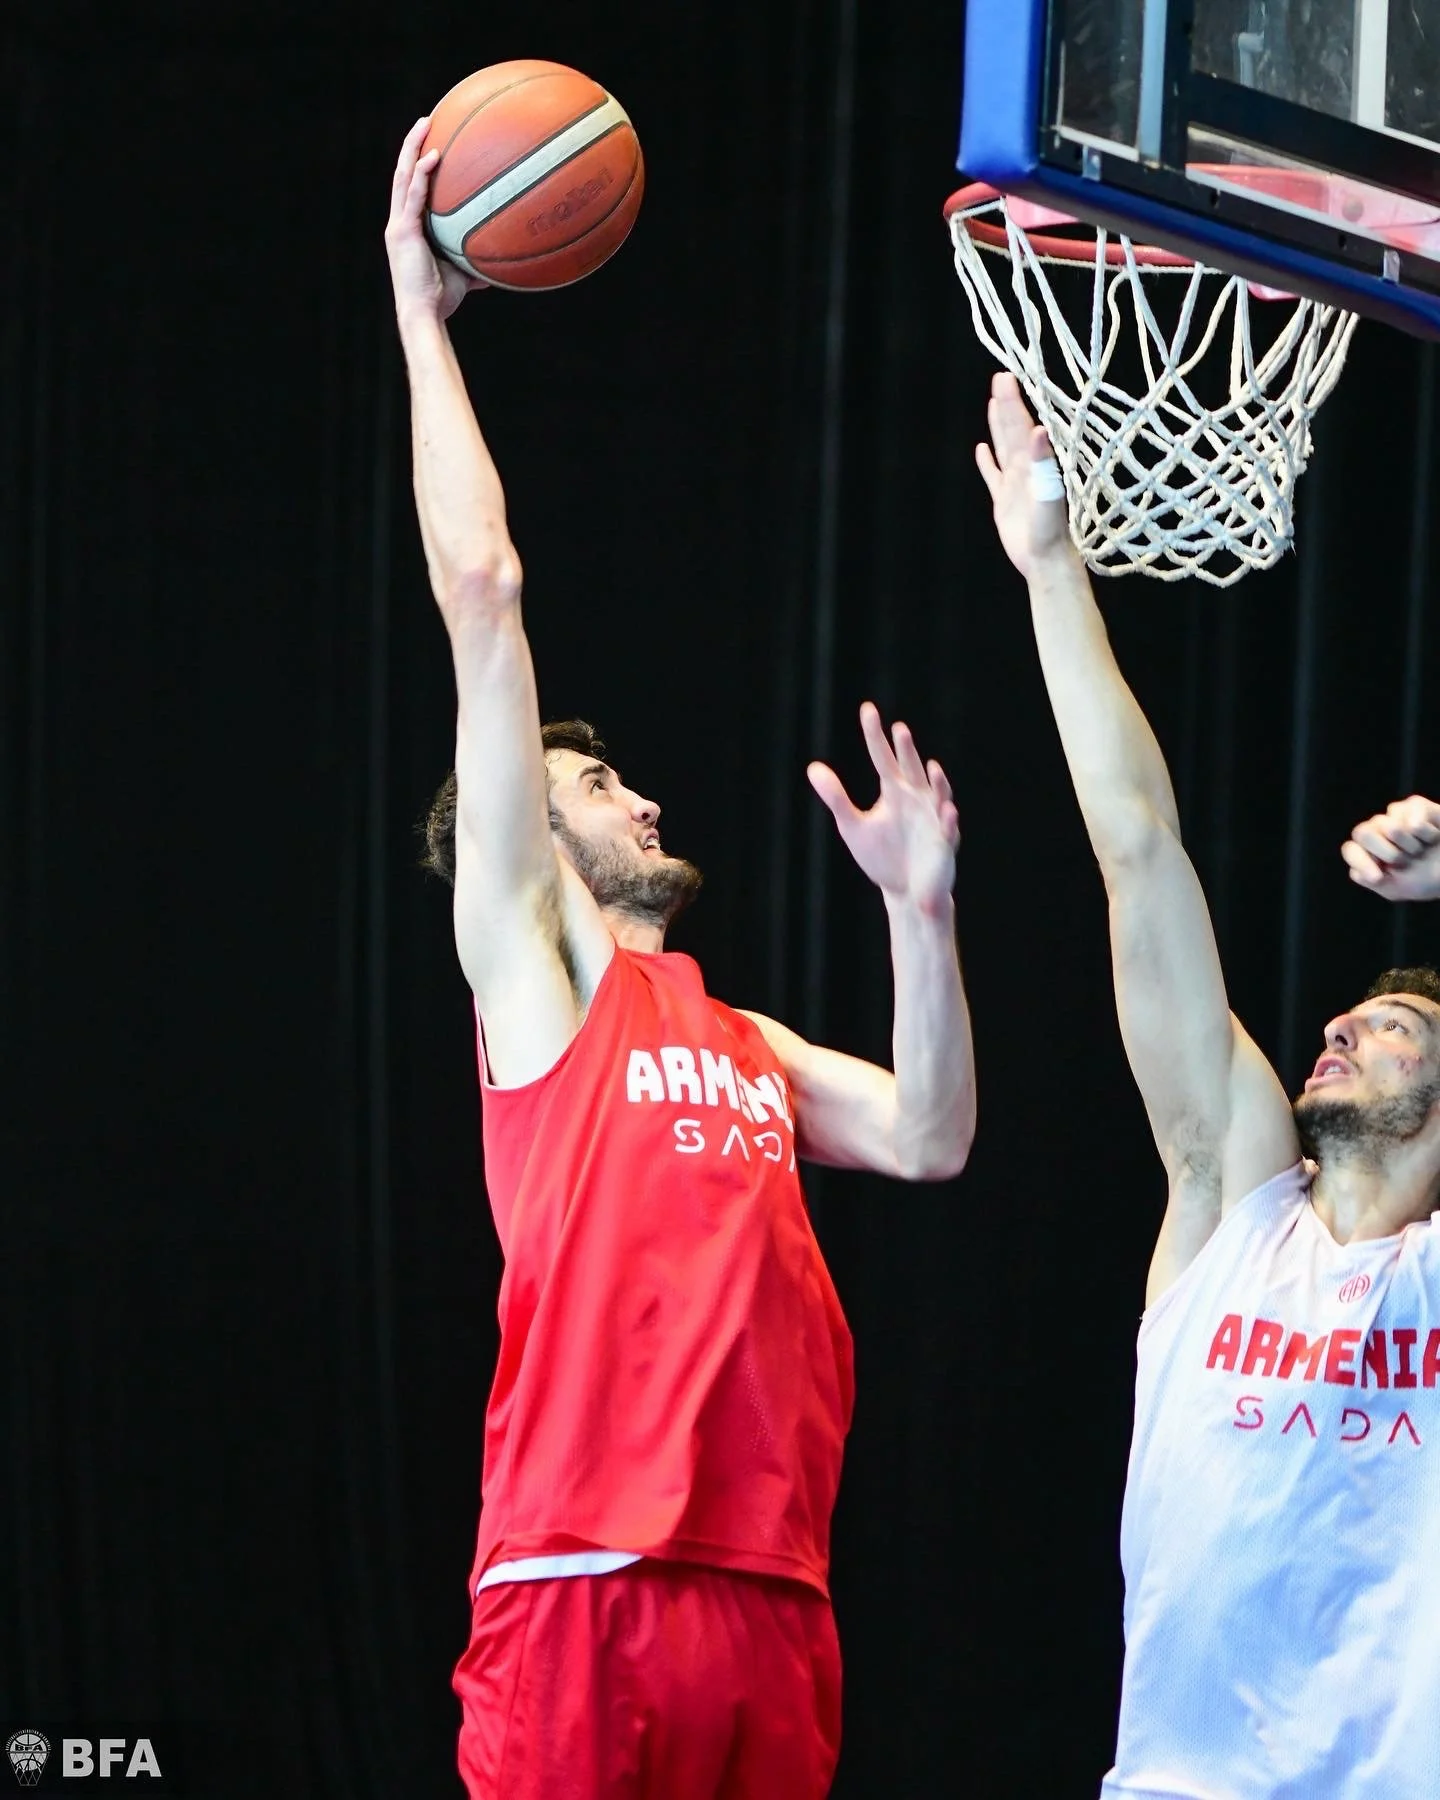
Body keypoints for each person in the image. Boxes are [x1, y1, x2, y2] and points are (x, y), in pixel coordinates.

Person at [383, 119, 977, 1800]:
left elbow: (933, 1134)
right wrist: (426, 320)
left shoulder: (745, 1038)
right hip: (584, 1584)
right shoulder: (538, 973)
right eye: (589, 782)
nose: (632, 787)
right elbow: (482, 588)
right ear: (523, 841)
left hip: (776, 1596)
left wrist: (918, 912)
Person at [977, 369, 1440, 1799]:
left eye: (1396, 1022)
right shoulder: (1233, 1200)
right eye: (1347, 1017)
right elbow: (1136, 848)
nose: (1344, 1030)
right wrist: (1053, 571)